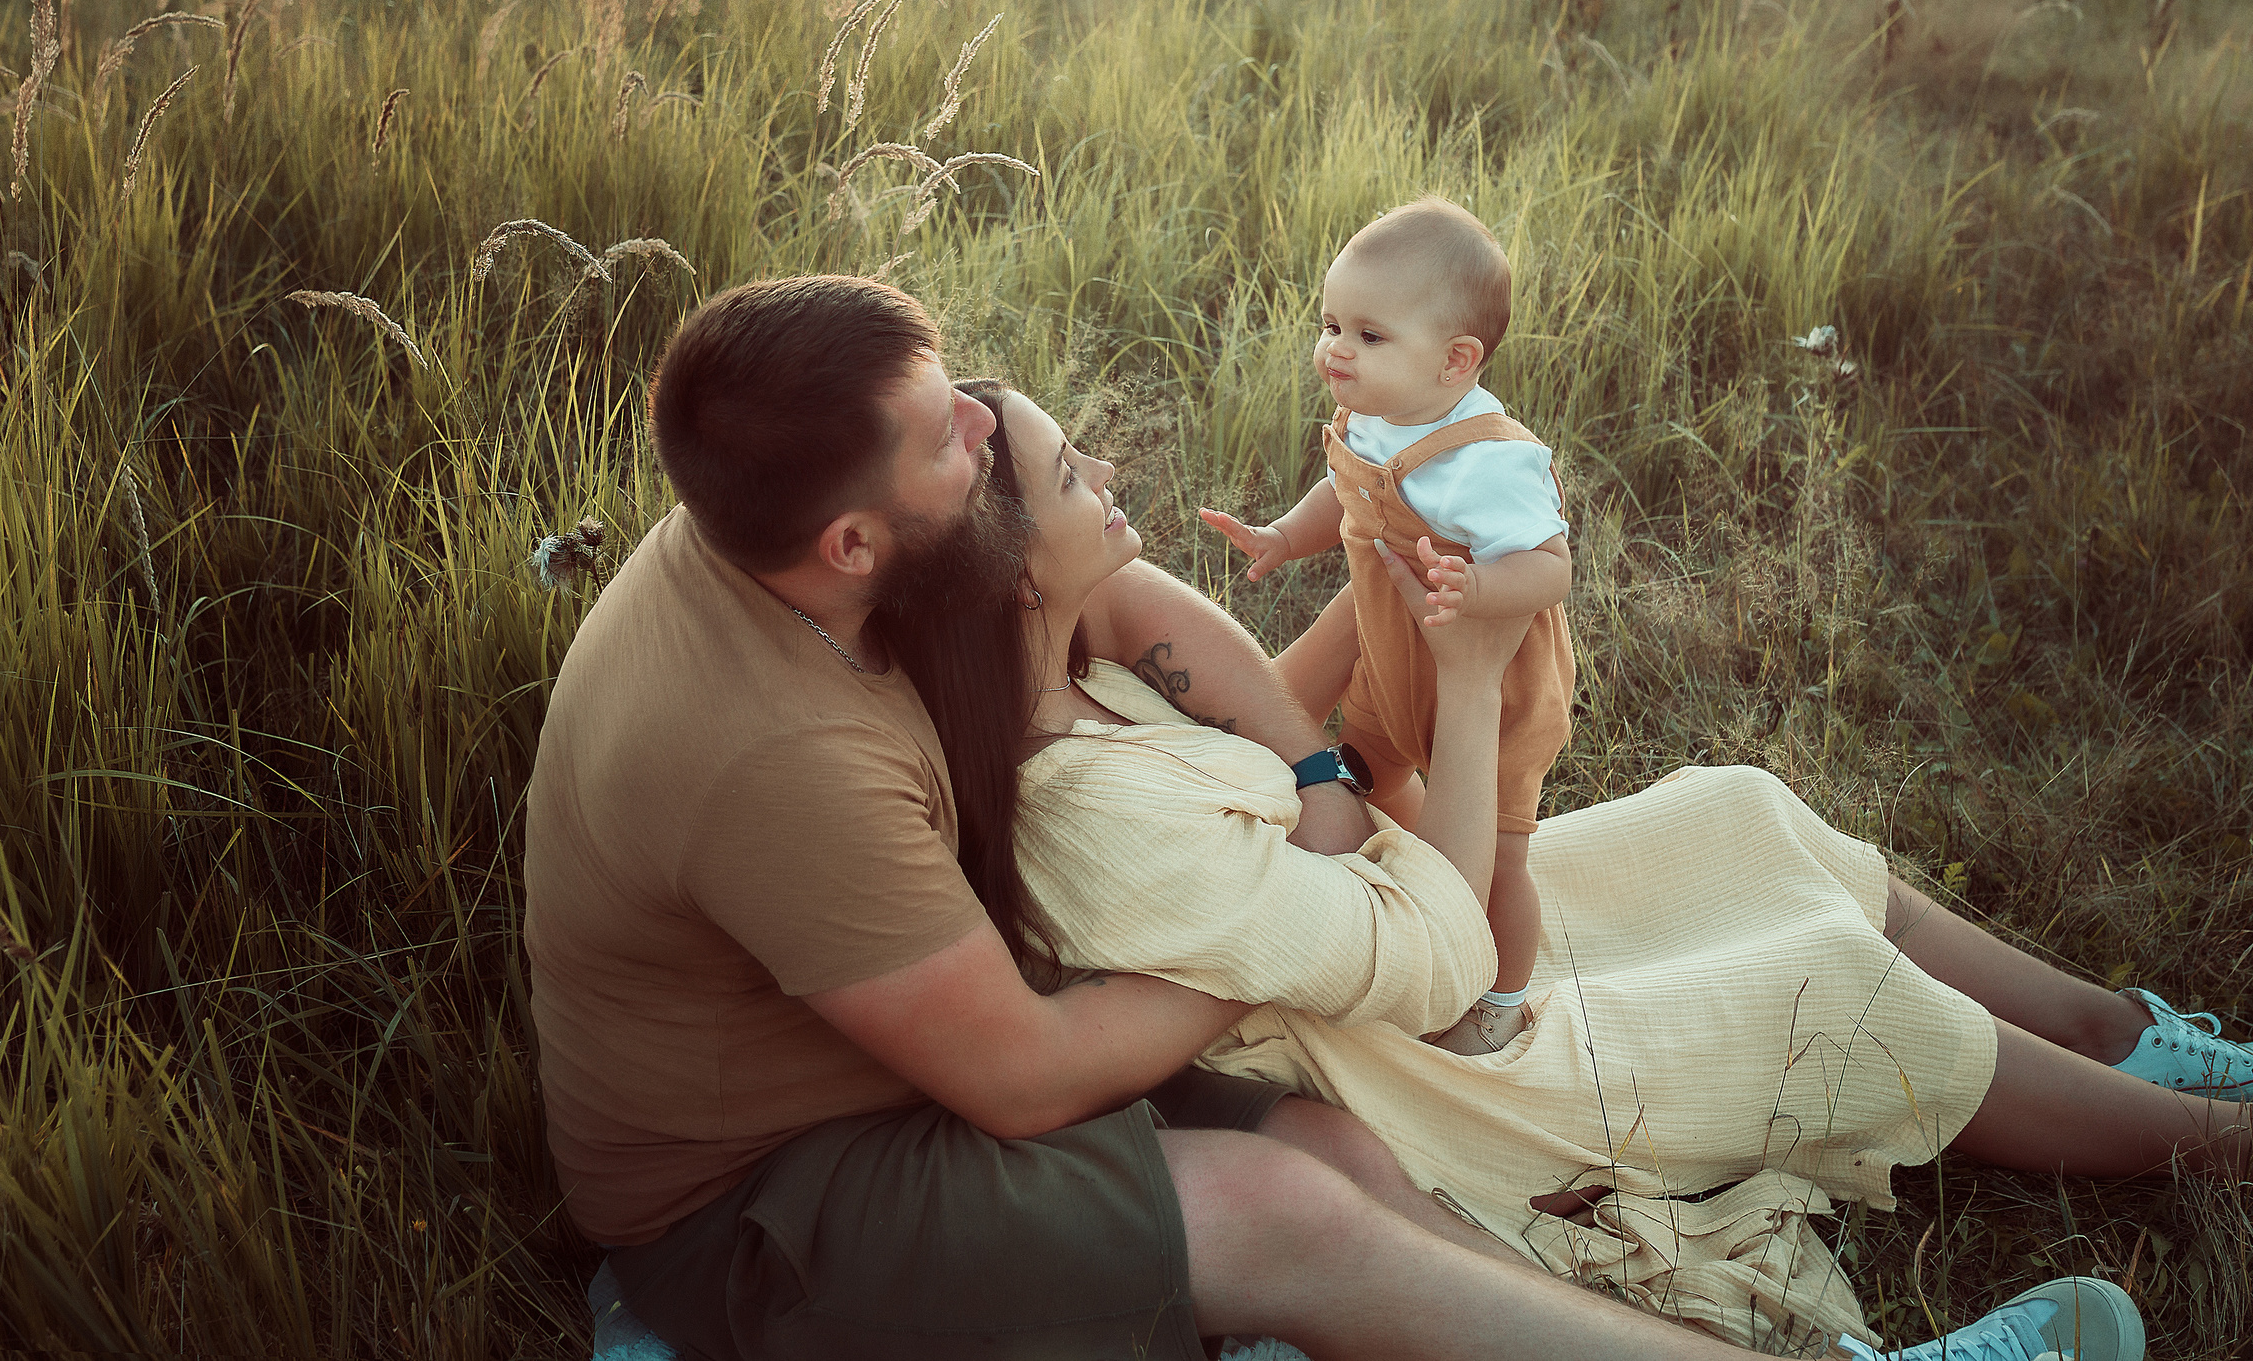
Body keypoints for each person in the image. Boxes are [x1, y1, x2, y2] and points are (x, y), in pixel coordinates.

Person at [521, 274, 2155, 1361]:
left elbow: (1120, 592)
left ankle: (2125, 1055)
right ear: (855, 544)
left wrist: (1307, 771)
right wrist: (1273, 938)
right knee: (1282, 1204)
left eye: (960, 394)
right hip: (765, 1189)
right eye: (950, 438)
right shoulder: (772, 751)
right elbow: (1019, 1076)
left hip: (954, 1029)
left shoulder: (826, 517)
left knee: (1337, 1143)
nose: (985, 425)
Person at [883, 378, 2253, 1358]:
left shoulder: (1081, 667)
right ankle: (2212, 1144)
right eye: (1076, 478)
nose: (1106, 478)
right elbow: (1445, 962)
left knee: (1736, 812)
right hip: (1415, 1052)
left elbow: (1291, 762)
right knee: (1817, 982)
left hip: (1375, 919)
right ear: (1010, 578)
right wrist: (1466, 686)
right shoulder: (1084, 818)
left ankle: (2130, 1038)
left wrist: (1374, 606)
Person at [1201, 198, 1573, 1056]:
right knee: (1368, 770)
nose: (1336, 348)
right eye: (1332, 323)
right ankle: (1413, 867)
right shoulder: (1380, 413)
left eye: (1369, 335)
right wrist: (1285, 538)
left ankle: (1502, 1001)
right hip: (1394, 654)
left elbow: (1553, 566)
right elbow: (1347, 485)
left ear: (1455, 361)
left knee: (1507, 856)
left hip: (1492, 678)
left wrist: (1478, 586)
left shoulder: (1488, 461)